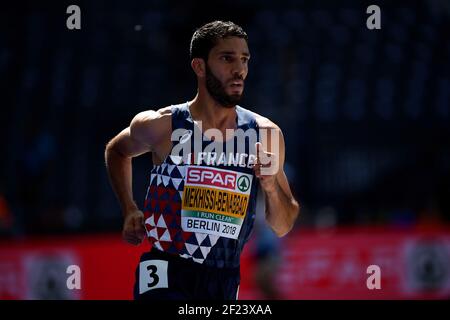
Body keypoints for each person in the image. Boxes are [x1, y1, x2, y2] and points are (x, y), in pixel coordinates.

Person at [105, 20, 300, 300]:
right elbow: (117, 150)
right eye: (227, 58)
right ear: (199, 66)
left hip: (223, 277)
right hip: (165, 269)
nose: (239, 69)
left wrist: (270, 186)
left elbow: (283, 225)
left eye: (244, 59)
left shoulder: (265, 134)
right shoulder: (164, 125)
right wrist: (129, 208)